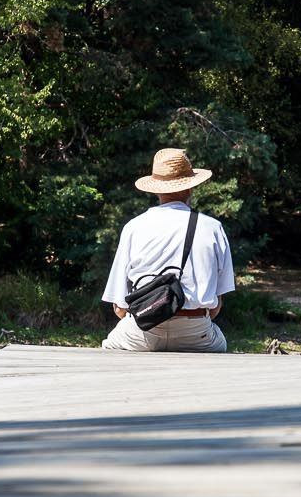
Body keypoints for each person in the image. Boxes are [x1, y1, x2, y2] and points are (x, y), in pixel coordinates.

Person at [101, 148, 236, 352]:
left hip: (142, 330)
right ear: (191, 187)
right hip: (195, 332)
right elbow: (217, 305)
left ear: (156, 189)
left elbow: (119, 307)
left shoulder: (134, 227)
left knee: (109, 347)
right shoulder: (213, 227)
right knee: (220, 343)